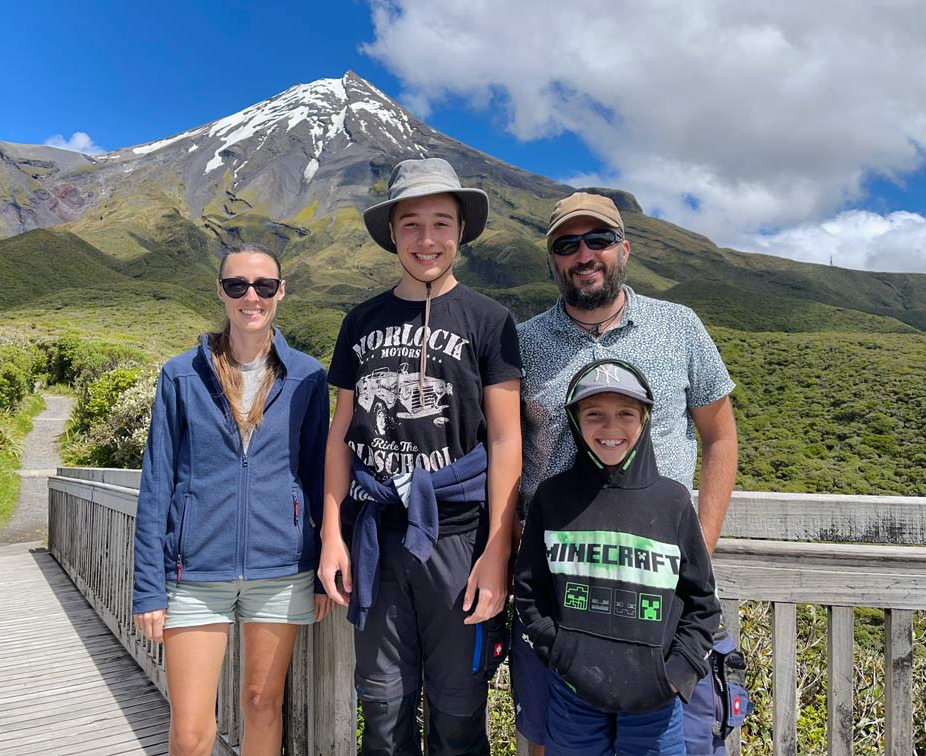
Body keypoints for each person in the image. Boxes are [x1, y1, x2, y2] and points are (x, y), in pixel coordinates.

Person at [512, 192, 739, 756]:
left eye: (599, 241)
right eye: (567, 245)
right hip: (556, 591)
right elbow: (503, 449)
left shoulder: (679, 327)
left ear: (625, 249)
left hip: (654, 599)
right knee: (545, 741)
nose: (584, 255)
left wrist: (698, 552)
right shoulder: (523, 342)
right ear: (552, 260)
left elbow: (720, 437)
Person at [317, 157, 523, 756]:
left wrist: (496, 551)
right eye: (411, 224)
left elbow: (506, 439)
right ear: (392, 234)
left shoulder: (490, 321)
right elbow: (342, 435)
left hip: (459, 541)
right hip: (375, 540)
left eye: (441, 223)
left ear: (461, 231)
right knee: (382, 711)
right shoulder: (361, 322)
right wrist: (332, 532)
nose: (426, 239)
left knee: (460, 713)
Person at [132, 244, 331, 756]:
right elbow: (156, 483)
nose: (252, 296)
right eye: (238, 285)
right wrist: (148, 589)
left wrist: (320, 570)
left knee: (263, 704)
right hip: (195, 575)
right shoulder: (180, 374)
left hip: (282, 572)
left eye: (264, 286)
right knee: (193, 730)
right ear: (221, 291)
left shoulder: (307, 376)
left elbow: (316, 478)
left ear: (280, 292)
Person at [514, 358, 721, 755]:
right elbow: (529, 590)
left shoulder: (673, 502)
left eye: (626, 413)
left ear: (644, 419)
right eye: (594, 414)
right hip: (573, 697)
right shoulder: (553, 499)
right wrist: (562, 654)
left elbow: (702, 604)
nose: (610, 428)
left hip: (656, 704)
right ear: (575, 420)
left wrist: (674, 676)